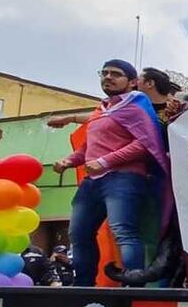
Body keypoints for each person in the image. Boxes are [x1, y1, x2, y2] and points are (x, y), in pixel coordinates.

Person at [53, 59, 171, 286]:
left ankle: (132, 284)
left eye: (116, 74)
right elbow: (88, 149)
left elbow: (145, 144)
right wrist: (68, 161)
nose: (108, 77)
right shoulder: (102, 110)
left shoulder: (137, 105)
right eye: (104, 73)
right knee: (78, 233)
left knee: (123, 231)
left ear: (133, 82)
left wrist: (106, 161)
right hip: (93, 181)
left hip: (124, 178)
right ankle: (84, 285)